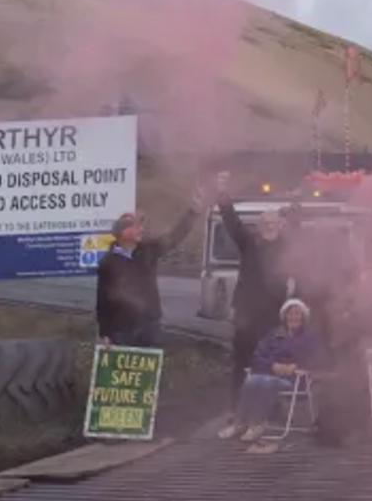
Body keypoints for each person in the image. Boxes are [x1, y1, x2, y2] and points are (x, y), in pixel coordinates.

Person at [95, 188, 207, 348]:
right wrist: (104, 334)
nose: (142, 229)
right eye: (137, 227)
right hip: (121, 330)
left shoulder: (148, 250)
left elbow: (174, 237)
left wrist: (193, 212)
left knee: (147, 372)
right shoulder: (108, 263)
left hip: (149, 325)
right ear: (124, 232)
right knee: (126, 372)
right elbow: (102, 302)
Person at [213, 172, 289, 403]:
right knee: (242, 364)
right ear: (259, 226)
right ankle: (237, 410)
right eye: (266, 223)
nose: (270, 227)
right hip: (247, 315)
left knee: (271, 364)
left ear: (280, 226)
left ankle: (272, 412)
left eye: (274, 223)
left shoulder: (288, 249)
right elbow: (231, 220)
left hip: (273, 318)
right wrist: (222, 192)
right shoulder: (249, 244)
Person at [224, 299, 331, 450]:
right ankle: (240, 423)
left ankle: (257, 424)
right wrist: (273, 365)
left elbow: (319, 359)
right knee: (251, 380)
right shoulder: (274, 334)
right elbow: (257, 356)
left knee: (265, 382)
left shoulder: (309, 338)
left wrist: (297, 366)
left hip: (295, 380)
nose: (294, 317)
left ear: (303, 317)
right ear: (285, 316)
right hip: (271, 374)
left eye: (298, 314)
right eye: (291, 314)